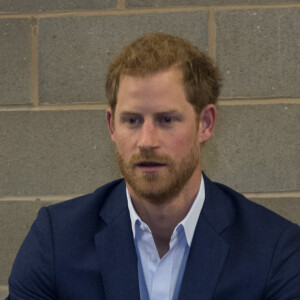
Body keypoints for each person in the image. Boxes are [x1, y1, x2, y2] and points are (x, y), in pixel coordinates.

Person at [7, 33, 300, 300]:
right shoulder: (57, 240)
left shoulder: (274, 248)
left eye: (166, 120)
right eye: (132, 120)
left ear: (206, 124)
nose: (147, 141)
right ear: (111, 126)